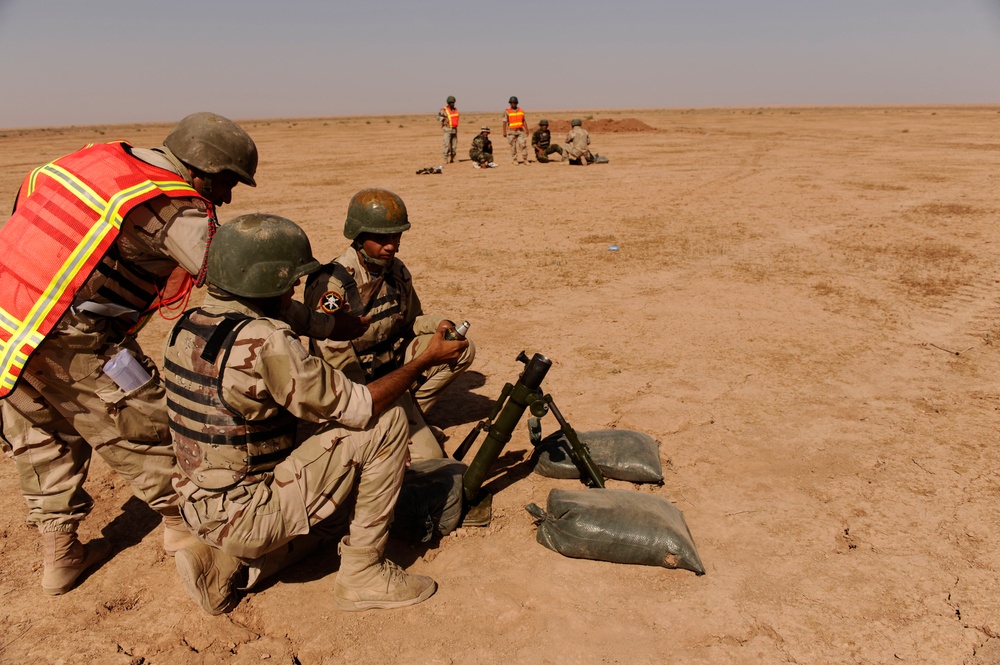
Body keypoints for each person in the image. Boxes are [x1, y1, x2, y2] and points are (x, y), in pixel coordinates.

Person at [0, 112, 261, 596]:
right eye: (227, 182)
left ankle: (62, 554)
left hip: (9, 325)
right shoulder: (171, 204)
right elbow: (234, 276)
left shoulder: (92, 162)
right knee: (141, 420)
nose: (225, 196)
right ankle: (183, 525)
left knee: (42, 433)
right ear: (201, 167)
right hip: (68, 333)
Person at [164, 213, 468, 615]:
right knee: (387, 423)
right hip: (248, 511)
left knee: (339, 486)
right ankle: (364, 574)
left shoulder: (191, 325)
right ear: (267, 281)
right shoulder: (267, 341)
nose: (295, 289)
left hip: (199, 502)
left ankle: (227, 566)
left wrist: (333, 325)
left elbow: (300, 319)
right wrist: (425, 360)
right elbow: (359, 406)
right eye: (289, 281)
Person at [303, 188, 476, 461]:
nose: (391, 245)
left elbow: (411, 322)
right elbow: (340, 370)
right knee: (429, 461)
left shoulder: (395, 270)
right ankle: (393, 427)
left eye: (396, 236)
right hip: (354, 390)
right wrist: (382, 418)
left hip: (390, 373)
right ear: (358, 237)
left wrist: (440, 323)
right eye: (382, 238)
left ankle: (411, 415)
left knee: (460, 346)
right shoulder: (332, 285)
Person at [502, 96, 529, 164]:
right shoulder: (507, 111)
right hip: (511, 131)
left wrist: (527, 129)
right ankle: (515, 160)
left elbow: (523, 121)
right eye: (511, 103)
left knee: (523, 145)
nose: (513, 104)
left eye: (514, 103)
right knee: (513, 146)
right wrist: (504, 132)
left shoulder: (521, 110)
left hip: (520, 131)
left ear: (516, 103)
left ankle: (525, 159)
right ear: (510, 103)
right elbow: (504, 122)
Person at [437, 96, 459, 163]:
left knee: (454, 145)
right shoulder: (443, 110)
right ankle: (445, 158)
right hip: (447, 129)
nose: (453, 104)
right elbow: (437, 117)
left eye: (453, 102)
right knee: (447, 145)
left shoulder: (455, 110)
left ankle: (453, 158)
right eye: (451, 103)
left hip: (454, 130)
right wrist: (443, 119)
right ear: (448, 103)